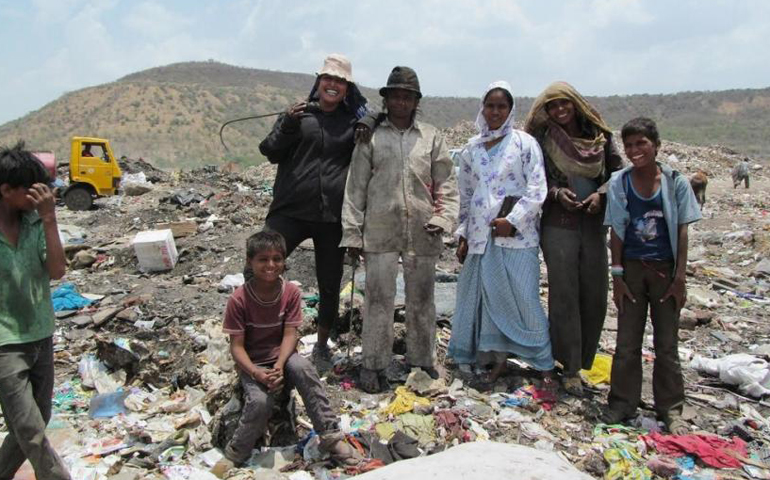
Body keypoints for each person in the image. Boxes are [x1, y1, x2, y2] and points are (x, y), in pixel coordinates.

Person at [340, 66, 458, 393]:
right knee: (378, 299)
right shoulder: (371, 137)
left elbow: (446, 184)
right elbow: (356, 187)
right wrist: (351, 233)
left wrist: (443, 218)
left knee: (422, 300)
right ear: (387, 99)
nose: (401, 102)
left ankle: (421, 361)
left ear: (416, 101)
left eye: (408, 97)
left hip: (424, 231)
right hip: (378, 231)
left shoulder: (431, 137)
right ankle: (374, 365)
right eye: (396, 96)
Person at [212, 231, 363, 477]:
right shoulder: (238, 300)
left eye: (277, 259)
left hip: (282, 357)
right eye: (263, 259)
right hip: (253, 363)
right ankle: (236, 452)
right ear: (250, 262)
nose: (271, 265)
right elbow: (236, 347)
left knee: (304, 369)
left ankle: (330, 437)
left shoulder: (290, 292)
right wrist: (256, 373)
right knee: (260, 402)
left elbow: (289, 335)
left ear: (284, 261)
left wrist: (280, 366)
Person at [256, 54, 369, 372]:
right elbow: (270, 151)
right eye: (328, 79)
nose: (333, 85)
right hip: (290, 210)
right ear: (319, 82)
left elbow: (376, 118)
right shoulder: (298, 115)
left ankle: (321, 346)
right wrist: (287, 124)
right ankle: (262, 338)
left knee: (330, 283)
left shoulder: (352, 123)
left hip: (331, 217)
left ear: (347, 88)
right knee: (262, 265)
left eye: (340, 81)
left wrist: (367, 123)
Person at [447, 81, 555, 387]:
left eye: (501, 106)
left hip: (517, 239)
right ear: (483, 108)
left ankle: (544, 364)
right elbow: (466, 194)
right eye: (490, 106)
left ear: (510, 110)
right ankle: (497, 362)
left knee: (524, 300)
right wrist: (464, 234)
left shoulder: (524, 143)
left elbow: (537, 189)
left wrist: (514, 219)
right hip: (481, 238)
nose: (495, 112)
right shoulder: (471, 148)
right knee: (490, 302)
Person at [602, 117, 701, 434]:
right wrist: (617, 276)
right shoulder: (620, 182)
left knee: (667, 345)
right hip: (631, 269)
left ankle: (671, 410)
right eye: (629, 145)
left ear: (656, 146)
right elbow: (617, 231)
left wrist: (680, 277)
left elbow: (682, 231)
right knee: (627, 343)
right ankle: (621, 404)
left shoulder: (676, 183)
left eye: (641, 144)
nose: (634, 151)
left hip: (664, 271)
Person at [523, 81, 623, 396]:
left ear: (575, 104)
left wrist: (601, 195)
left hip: (593, 226)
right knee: (564, 295)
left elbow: (617, 175)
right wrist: (556, 193)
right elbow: (535, 178)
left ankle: (583, 359)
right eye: (552, 106)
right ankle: (569, 367)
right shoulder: (545, 139)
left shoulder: (601, 138)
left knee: (594, 295)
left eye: (564, 104)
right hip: (558, 225)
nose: (559, 110)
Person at [0, 142, 69, 480]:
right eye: (31, 189)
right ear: (6, 190)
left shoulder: (35, 222)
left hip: (41, 333)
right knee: (30, 430)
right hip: (4, 344)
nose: (39, 195)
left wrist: (49, 219)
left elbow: (57, 271)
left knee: (32, 423)